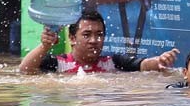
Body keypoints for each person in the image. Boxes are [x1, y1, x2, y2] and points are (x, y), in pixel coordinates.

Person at [19, 10, 179, 74]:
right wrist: (44, 47)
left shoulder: (114, 63)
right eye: (86, 35)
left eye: (99, 35)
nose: (94, 41)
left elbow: (142, 65)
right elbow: (25, 70)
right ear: (72, 38)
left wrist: (159, 61)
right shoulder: (57, 64)